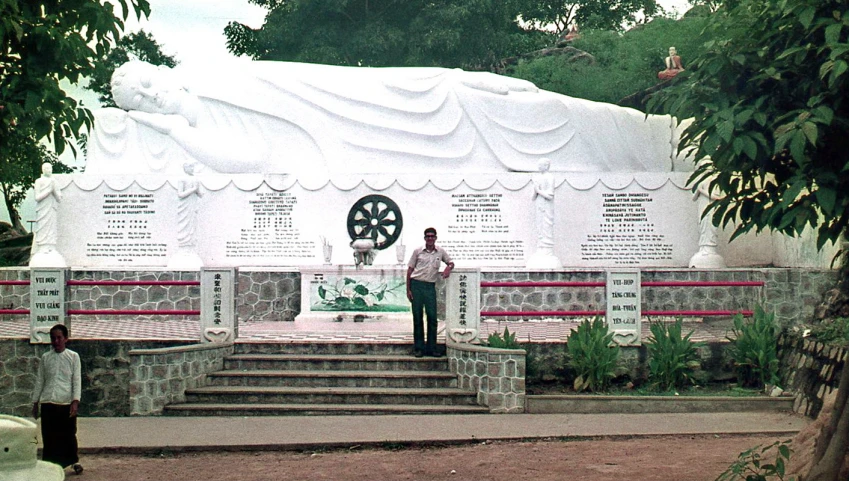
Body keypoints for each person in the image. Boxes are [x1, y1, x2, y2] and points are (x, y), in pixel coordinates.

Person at [86, 60, 689, 176]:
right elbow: (251, 159)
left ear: (161, 75)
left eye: (149, 86)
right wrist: (172, 131)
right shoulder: (195, 128)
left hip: (350, 95)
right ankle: (642, 139)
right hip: (352, 136)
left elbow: (296, 80)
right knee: (502, 110)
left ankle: (650, 139)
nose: (153, 100)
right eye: (141, 102)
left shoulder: (217, 77)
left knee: (443, 85)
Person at [31, 324, 83, 476]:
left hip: (65, 402)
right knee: (49, 435)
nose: (56, 341)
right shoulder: (46, 358)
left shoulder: (73, 357)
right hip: (48, 401)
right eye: (53, 338)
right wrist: (35, 402)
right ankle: (50, 465)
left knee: (68, 433)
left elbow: (76, 380)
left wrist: (75, 401)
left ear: (66, 338)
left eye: (59, 338)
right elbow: (40, 380)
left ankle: (74, 461)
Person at [406, 228, 454, 357]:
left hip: (430, 287)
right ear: (425, 238)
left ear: (436, 238)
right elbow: (410, 270)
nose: (430, 238)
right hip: (416, 285)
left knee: (432, 317)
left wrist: (448, 268)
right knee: (418, 317)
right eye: (428, 236)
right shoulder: (417, 251)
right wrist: (408, 290)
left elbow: (451, 262)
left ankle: (432, 348)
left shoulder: (440, 252)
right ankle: (419, 348)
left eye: (432, 236)